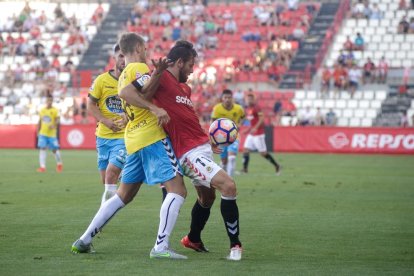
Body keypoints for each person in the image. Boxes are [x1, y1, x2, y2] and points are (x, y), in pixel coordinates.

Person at [120, 40, 243, 261]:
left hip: (201, 147)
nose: (193, 70)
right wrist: (154, 107)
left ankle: (193, 239)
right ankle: (236, 246)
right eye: (190, 65)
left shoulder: (184, 87)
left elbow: (184, 119)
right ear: (179, 62)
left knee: (207, 198)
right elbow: (127, 92)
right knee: (229, 185)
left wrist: (207, 140)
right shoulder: (158, 75)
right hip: (188, 153)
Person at [71, 33, 188, 260]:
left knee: (123, 195)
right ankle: (161, 247)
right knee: (178, 189)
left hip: (133, 138)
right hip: (151, 136)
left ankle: (84, 240)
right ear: (139, 47)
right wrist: (155, 107)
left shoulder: (124, 73)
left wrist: (156, 74)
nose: (146, 51)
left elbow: (138, 95)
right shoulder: (138, 67)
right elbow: (132, 94)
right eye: (145, 47)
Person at [87, 44, 127, 205]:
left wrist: (128, 116)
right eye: (121, 56)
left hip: (124, 136)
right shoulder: (102, 80)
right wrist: (105, 121)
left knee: (111, 174)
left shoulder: (132, 82)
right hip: (103, 137)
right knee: (106, 181)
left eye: (127, 57)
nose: (124, 60)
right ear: (114, 58)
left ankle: (102, 215)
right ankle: (129, 173)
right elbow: (91, 105)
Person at [242, 93, 281, 175]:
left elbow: (262, 119)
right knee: (245, 150)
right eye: (247, 99)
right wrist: (248, 130)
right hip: (252, 134)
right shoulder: (248, 109)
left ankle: (277, 165)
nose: (249, 100)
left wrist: (255, 128)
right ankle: (245, 169)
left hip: (259, 133)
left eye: (250, 99)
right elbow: (252, 122)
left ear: (253, 100)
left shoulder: (257, 107)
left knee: (263, 153)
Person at [211, 89, 245, 177]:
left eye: (229, 97)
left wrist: (240, 124)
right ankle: (223, 170)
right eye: (225, 97)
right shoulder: (217, 108)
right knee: (224, 161)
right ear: (222, 98)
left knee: (232, 157)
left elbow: (243, 117)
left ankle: (230, 180)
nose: (227, 99)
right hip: (221, 138)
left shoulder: (238, 108)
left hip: (234, 136)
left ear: (232, 98)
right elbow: (213, 122)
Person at [36, 95, 63, 173]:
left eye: (51, 101)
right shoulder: (42, 110)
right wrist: (37, 131)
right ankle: (42, 167)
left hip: (52, 134)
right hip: (43, 133)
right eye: (48, 100)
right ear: (46, 101)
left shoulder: (55, 110)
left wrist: (54, 125)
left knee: (54, 150)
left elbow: (58, 120)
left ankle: (59, 164)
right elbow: (40, 121)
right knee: (42, 148)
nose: (49, 102)